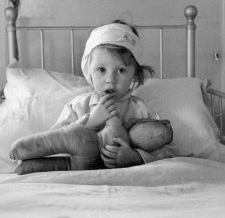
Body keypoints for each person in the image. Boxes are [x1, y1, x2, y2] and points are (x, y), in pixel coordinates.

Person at [10, 21, 176, 174]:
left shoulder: (140, 109)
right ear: (88, 71)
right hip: (78, 170)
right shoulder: (78, 106)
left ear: (134, 74)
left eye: (121, 70)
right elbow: (55, 140)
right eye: (101, 70)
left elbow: (164, 150)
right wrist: (90, 121)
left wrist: (135, 157)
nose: (110, 79)